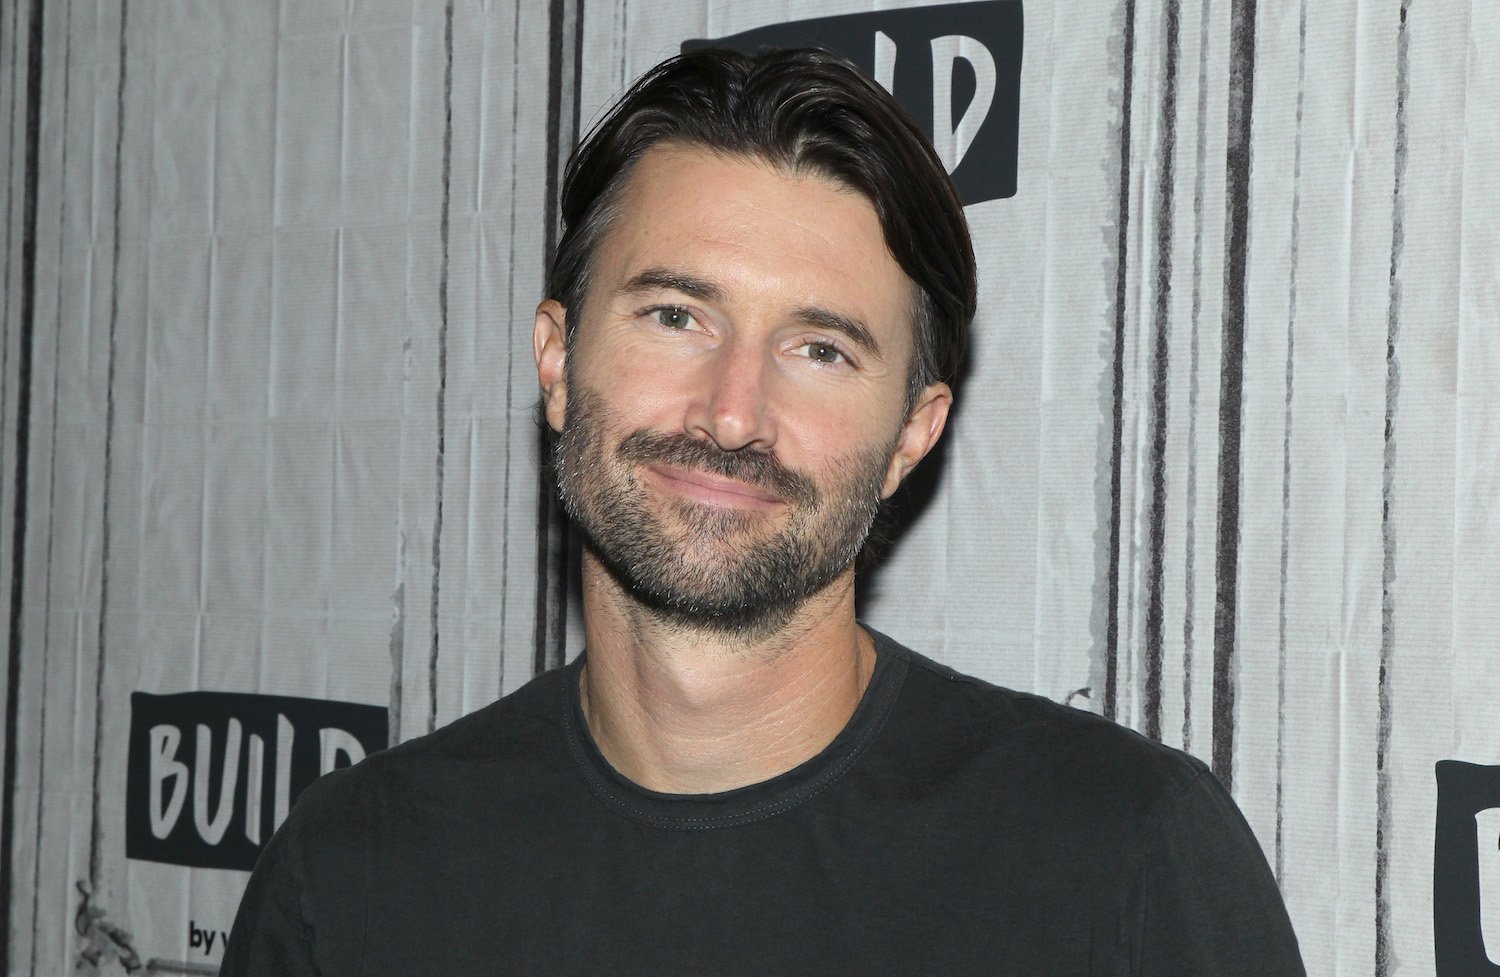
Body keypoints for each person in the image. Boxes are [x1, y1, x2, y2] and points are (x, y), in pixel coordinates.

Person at [221, 47, 1305, 976]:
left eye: (820, 348)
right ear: (557, 358)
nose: (733, 412)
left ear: (912, 434)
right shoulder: (355, 871)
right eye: (678, 314)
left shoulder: (1120, 856)